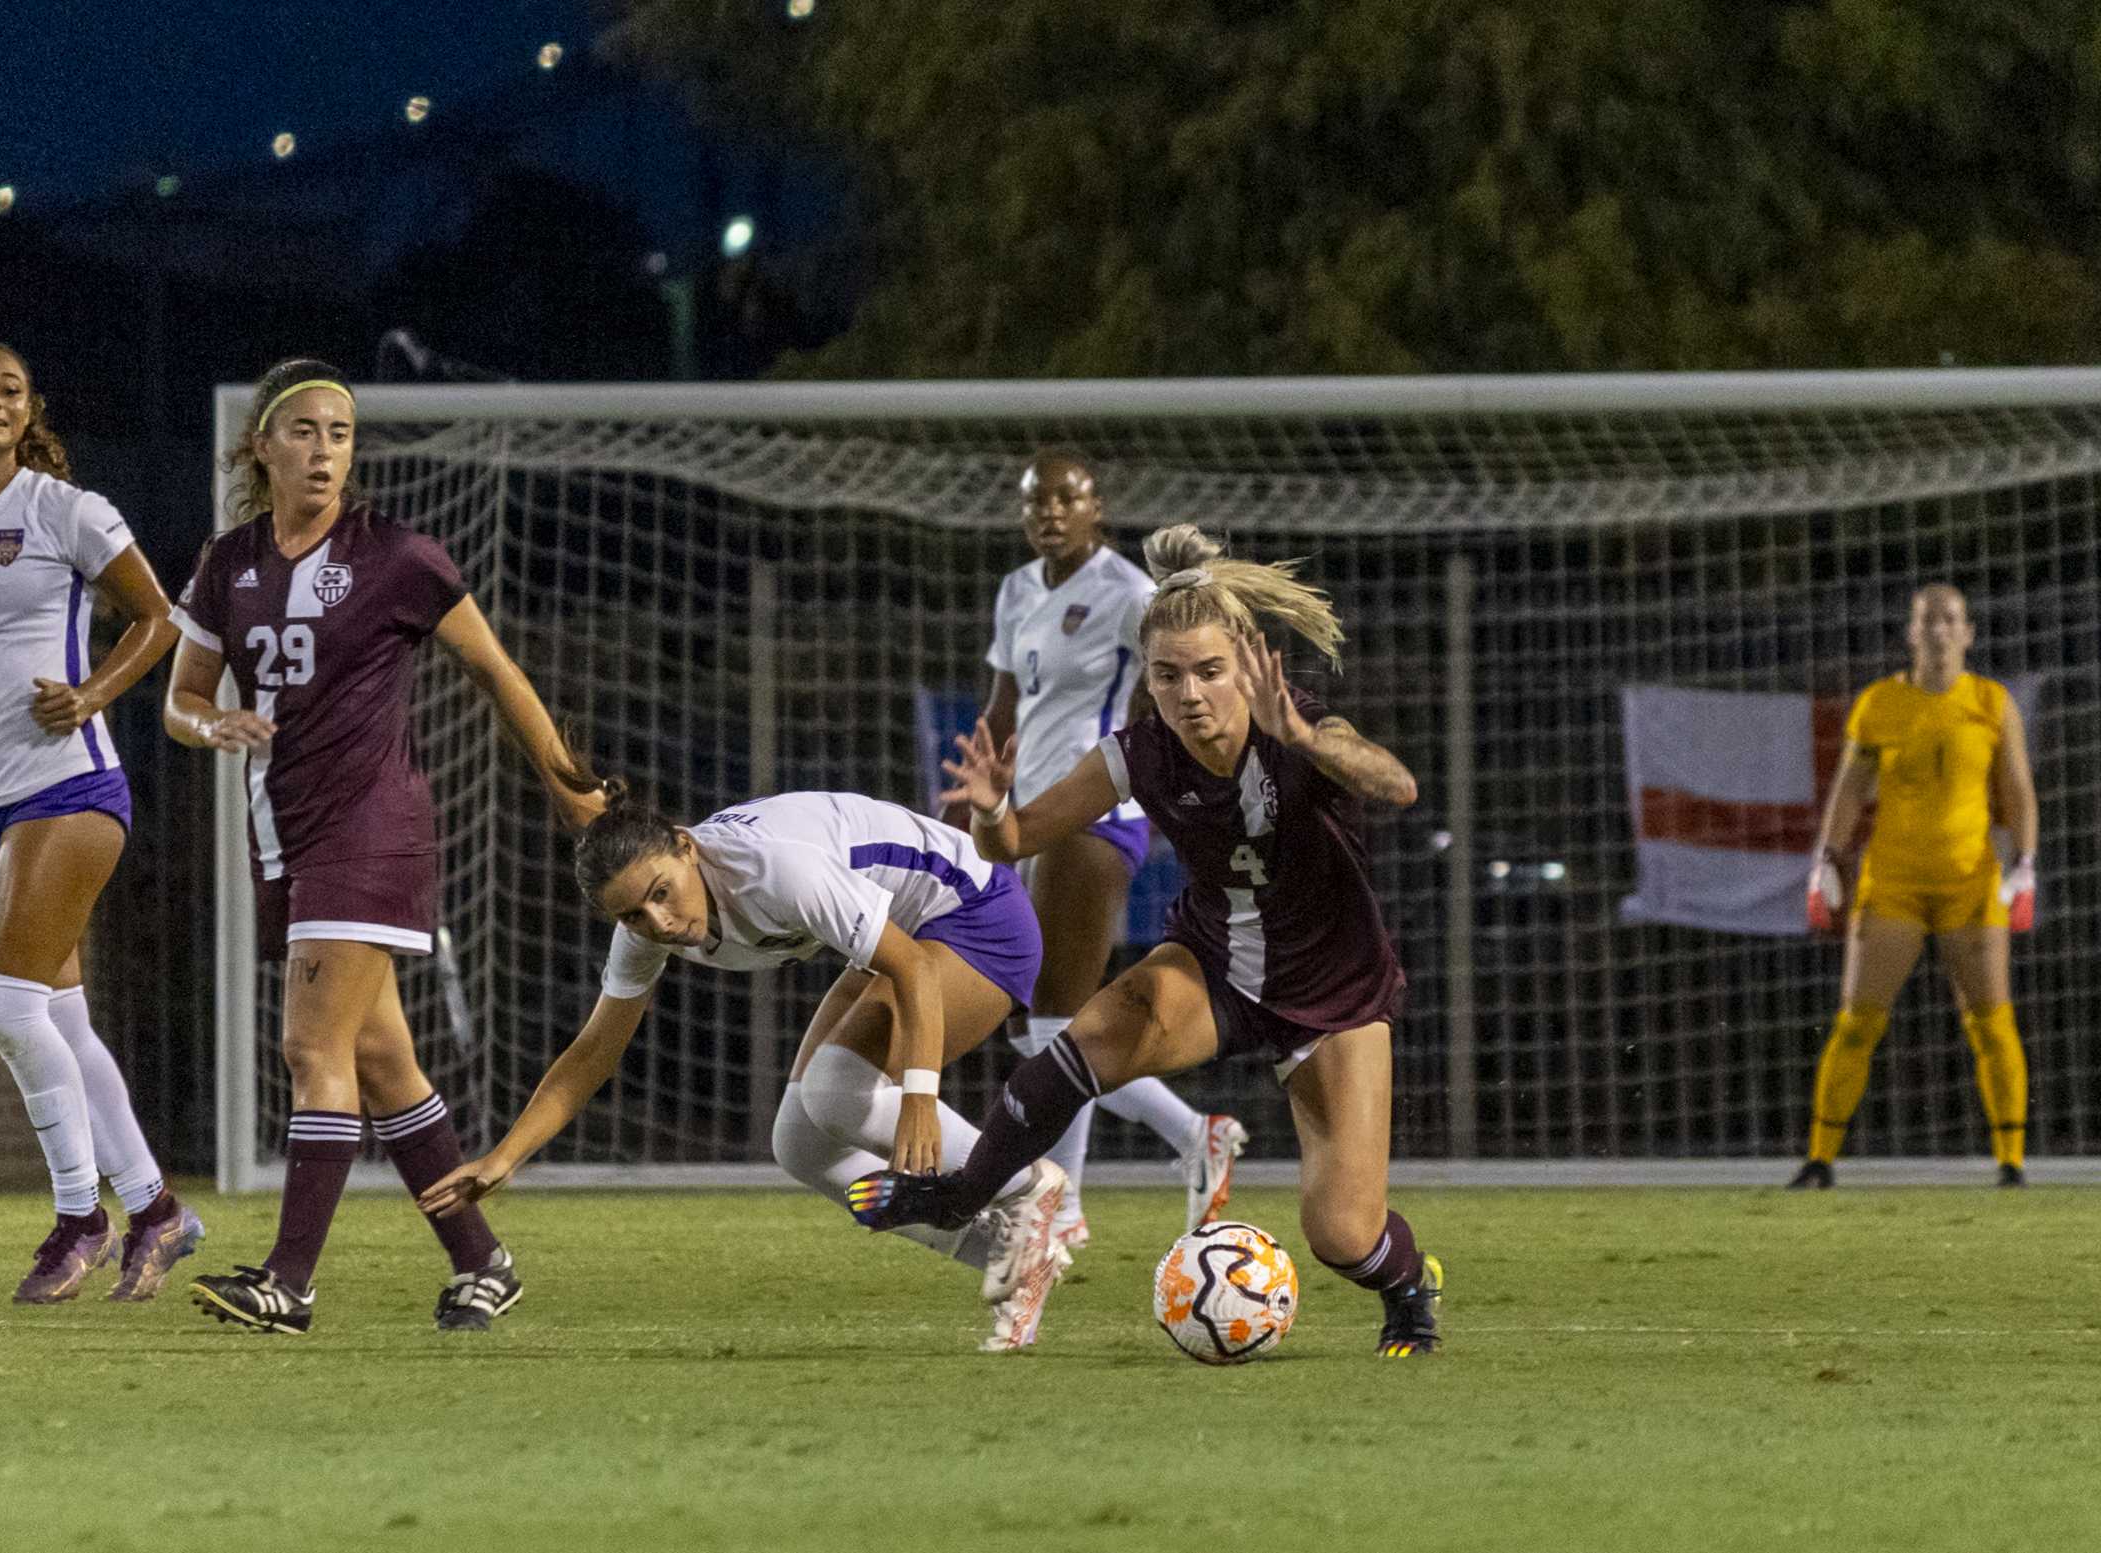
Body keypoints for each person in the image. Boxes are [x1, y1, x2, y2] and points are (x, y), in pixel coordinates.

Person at [849, 525, 1442, 1358]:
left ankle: (1410, 1288)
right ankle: (961, 1195)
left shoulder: (1296, 724)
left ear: (1244, 661)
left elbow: (1398, 784)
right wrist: (988, 808)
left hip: (1333, 990)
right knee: (1088, 1030)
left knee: (1342, 1232)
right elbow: (1013, 839)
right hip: (1216, 966)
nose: (1190, 693)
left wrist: (1308, 741)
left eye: (1207, 671)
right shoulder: (1137, 754)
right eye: (1167, 676)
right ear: (1147, 681)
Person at [164, 358, 605, 1333]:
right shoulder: (226, 561)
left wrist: (566, 781)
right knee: (379, 1058)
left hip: (371, 830)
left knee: (308, 1042)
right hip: (282, 829)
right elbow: (182, 700)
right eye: (305, 430)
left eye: (340, 433)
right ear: (260, 445)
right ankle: (481, 1257)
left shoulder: (396, 555)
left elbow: (495, 668)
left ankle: (288, 1280)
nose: (325, 450)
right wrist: (212, 726)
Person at [416, 787, 1071, 1353]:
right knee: (800, 1141)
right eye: (631, 914)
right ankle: (1005, 1256)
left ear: (684, 845)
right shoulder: (646, 930)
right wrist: (505, 1156)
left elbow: (913, 969)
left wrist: (920, 1099)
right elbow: (593, 1050)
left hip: (977, 917)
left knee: (837, 1089)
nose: (660, 922)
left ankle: (1025, 1185)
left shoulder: (774, 870)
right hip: (906, 935)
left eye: (660, 894)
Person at [0, 338, 204, 1303]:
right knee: (59, 1014)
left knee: (3, 1005)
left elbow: (159, 618)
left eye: (9, 389)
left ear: (30, 409)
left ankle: (80, 1218)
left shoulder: (67, 509)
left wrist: (95, 692)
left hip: (69, 784)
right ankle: (155, 1211)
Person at [963, 453, 1246, 1249]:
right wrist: (969, 801)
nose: (1050, 511)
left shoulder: (1130, 593)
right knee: (1030, 1026)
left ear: (1097, 509)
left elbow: (1157, 695)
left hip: (1094, 812)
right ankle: (1196, 1135)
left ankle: (1065, 1203)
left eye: (1067, 497)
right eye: (1035, 501)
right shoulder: (1017, 589)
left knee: (1056, 1015)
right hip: (1022, 818)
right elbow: (1001, 704)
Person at [1792, 584, 2039, 1189]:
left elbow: (2016, 788)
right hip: (1894, 883)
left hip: (1969, 884)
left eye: (1950, 619)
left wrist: (2025, 862)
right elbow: (1850, 789)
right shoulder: (1879, 703)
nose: (1937, 629)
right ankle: (1819, 1159)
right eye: (1927, 619)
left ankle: (2011, 1164)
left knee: (1991, 1021)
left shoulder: (1990, 701)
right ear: (1909, 632)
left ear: (1969, 633)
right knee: (1857, 1022)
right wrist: (1826, 860)